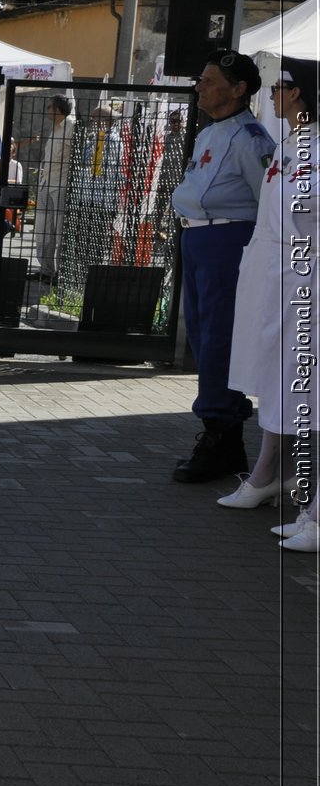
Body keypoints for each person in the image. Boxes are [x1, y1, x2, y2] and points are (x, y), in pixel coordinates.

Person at [221, 58, 318, 553]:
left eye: (280, 87)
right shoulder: (290, 143)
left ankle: (314, 509)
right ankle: (270, 476)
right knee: (279, 379)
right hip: (272, 273)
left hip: (308, 279)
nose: (272, 95)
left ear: (299, 93)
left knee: (308, 386)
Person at [169, 51, 274, 483]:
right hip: (197, 237)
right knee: (202, 333)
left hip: (228, 239)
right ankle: (223, 437)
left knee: (218, 338)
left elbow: (266, 204)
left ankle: (220, 433)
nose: (200, 87)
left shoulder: (252, 139)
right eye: (202, 79)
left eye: (210, 81)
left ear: (239, 89)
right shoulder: (210, 133)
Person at [34, 95, 75, 281]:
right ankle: (46, 270)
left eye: (49, 107)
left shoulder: (71, 126)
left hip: (61, 184)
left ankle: (61, 273)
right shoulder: (55, 129)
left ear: (58, 110)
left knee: (60, 231)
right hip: (46, 183)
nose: (47, 110)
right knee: (43, 229)